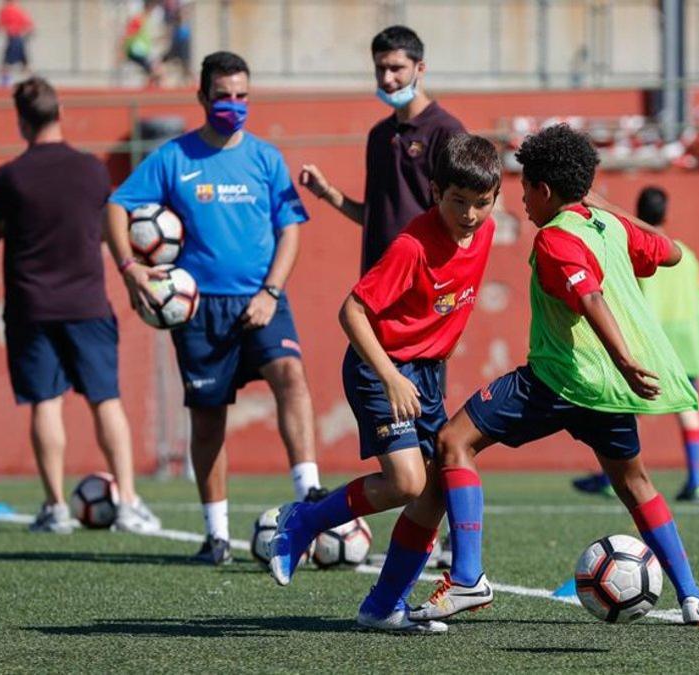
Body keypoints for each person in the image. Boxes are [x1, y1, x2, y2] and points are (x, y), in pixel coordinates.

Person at [410, 125, 699, 627]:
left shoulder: (555, 238)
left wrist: (623, 357)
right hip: (608, 391)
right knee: (636, 483)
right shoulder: (609, 226)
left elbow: (590, 298)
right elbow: (670, 251)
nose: (523, 200)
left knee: (452, 442)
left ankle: (468, 577)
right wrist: (602, 205)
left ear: (544, 190)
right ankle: (694, 598)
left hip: (560, 380)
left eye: (526, 187)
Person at [268, 134, 500, 634]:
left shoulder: (485, 231)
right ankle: (302, 522)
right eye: (458, 201)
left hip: (426, 373)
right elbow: (351, 310)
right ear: (436, 191)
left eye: (481, 203)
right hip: (383, 367)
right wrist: (391, 375)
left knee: (433, 491)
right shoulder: (411, 245)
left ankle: (382, 607)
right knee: (407, 482)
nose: (470, 215)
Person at [108, 52, 323, 563]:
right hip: (197, 310)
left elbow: (289, 230)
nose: (233, 105)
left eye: (242, 96)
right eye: (223, 96)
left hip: (262, 300)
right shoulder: (173, 158)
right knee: (208, 422)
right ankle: (216, 534)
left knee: (291, 375)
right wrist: (130, 268)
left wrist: (271, 293)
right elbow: (115, 207)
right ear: (203, 97)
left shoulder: (266, 158)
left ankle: (310, 499)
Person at [0, 77, 161, 535]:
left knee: (45, 404)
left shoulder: (8, 177)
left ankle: (56, 508)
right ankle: (127, 503)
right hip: (88, 304)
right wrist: (129, 267)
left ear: (22, 122)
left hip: (31, 308)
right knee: (107, 401)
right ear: (60, 112)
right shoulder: (92, 170)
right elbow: (112, 223)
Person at [572, 186, 699, 502]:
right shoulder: (684, 253)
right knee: (688, 411)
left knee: (626, 407)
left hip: (653, 339)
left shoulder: (635, 247)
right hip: (688, 341)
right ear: (666, 214)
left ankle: (611, 478)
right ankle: (697, 480)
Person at [299, 25, 466, 274]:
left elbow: (461, 218)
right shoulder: (379, 135)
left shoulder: (447, 132)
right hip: (377, 278)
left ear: (420, 68)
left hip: (424, 278)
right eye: (380, 68)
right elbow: (374, 218)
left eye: (396, 68)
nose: (387, 79)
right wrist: (326, 192)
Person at [0, 0, 34, 88]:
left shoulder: (5, 11)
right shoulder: (19, 10)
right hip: (18, 37)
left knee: (7, 62)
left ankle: (5, 83)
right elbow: (28, 24)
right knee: (24, 62)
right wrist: (28, 34)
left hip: (13, 37)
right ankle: (31, 83)